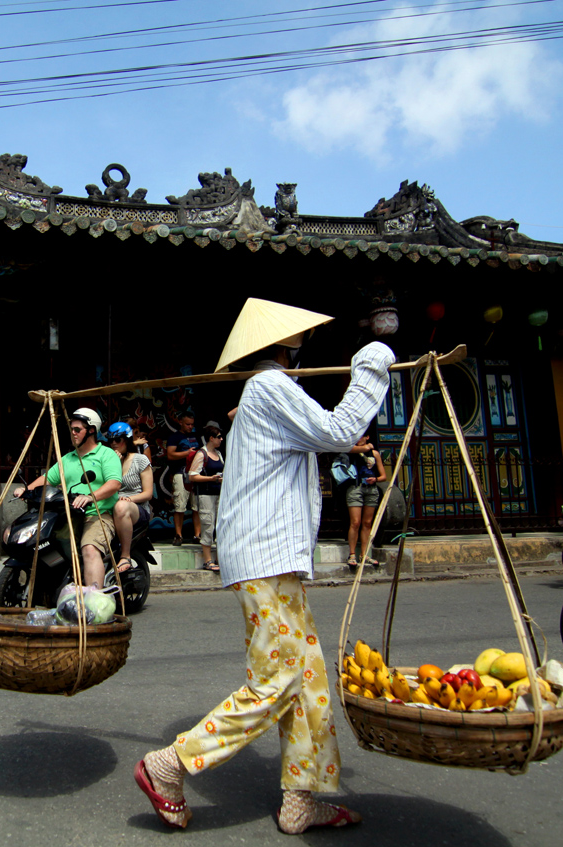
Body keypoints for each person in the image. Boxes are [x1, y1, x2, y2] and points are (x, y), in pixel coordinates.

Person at [135, 297, 393, 834]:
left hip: (274, 554)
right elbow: (340, 431)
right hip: (263, 554)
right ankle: (171, 763)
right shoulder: (270, 387)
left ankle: (304, 795)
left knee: (307, 677)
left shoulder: (268, 392)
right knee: (278, 675)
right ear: (288, 345)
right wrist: (372, 362)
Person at [13, 407, 121, 588]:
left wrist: (90, 497)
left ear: (91, 430)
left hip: (97, 514)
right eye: (71, 429)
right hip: (69, 516)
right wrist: (27, 489)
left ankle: (93, 601)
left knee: (89, 548)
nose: (73, 433)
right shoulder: (68, 458)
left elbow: (114, 484)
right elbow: (48, 478)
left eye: (77, 429)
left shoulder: (106, 455)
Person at [108, 421, 154, 573]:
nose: (114, 443)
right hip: (110, 507)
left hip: (136, 508)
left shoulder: (140, 460)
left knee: (121, 507)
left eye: (118, 439)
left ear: (127, 440)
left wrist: (129, 499)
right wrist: (112, 462)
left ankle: (125, 555)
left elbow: (148, 493)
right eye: (111, 440)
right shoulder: (107, 461)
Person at [341, 434, 386, 567]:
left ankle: (365, 554)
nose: (358, 438)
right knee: (355, 522)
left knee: (367, 523)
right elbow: (351, 450)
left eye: (361, 436)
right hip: (356, 487)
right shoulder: (352, 449)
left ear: (367, 436)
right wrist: (367, 447)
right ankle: (352, 554)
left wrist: (376, 479)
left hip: (371, 489)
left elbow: (383, 476)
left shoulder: (374, 454)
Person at [188, 425, 224, 572]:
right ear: (211, 438)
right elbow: (192, 475)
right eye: (219, 437)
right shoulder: (202, 454)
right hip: (206, 494)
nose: (221, 439)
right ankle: (207, 559)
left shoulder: (219, 454)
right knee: (208, 525)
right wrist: (211, 478)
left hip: (219, 494)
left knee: (220, 526)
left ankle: (219, 558)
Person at [164, 413, 202, 545]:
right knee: (180, 505)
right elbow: (170, 455)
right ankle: (178, 535)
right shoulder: (175, 437)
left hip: (196, 473)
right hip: (181, 472)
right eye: (187, 424)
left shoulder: (196, 436)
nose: (190, 427)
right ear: (180, 422)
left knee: (197, 506)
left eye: (192, 424)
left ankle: (197, 535)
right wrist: (187, 453)